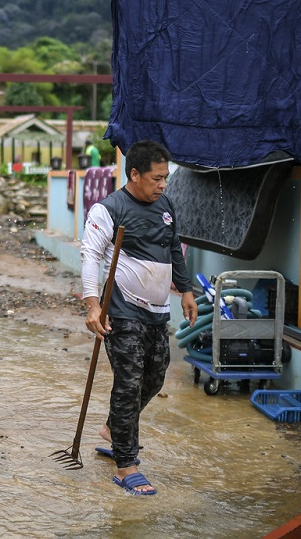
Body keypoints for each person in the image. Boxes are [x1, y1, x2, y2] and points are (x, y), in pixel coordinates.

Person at [80, 139, 197, 495]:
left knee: (154, 380)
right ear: (135, 174)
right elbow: (90, 255)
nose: (163, 185)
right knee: (129, 385)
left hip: (158, 313)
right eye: (157, 178)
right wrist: (92, 305)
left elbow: (174, 249)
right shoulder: (109, 209)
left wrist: (187, 289)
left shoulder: (166, 206)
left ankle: (115, 427)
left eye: (166, 178)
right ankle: (126, 464)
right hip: (122, 312)